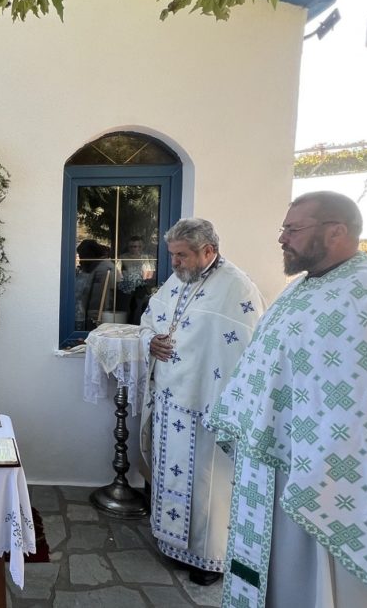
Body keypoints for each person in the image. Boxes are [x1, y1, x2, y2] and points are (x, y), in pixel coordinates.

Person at [209, 191, 367, 608]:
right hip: (270, 458)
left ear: (336, 232)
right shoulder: (301, 288)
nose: (282, 238)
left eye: (293, 229)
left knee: (309, 582)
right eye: (283, 228)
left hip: (324, 474)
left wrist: (319, 465)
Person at [139, 218, 264, 586]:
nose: (175, 263)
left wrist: (226, 404)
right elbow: (149, 319)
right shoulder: (178, 280)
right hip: (170, 400)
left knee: (208, 484)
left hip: (208, 405)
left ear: (208, 250)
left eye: (182, 255)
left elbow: (249, 348)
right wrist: (150, 341)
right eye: (172, 255)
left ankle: (210, 559)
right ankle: (171, 542)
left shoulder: (237, 287)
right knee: (172, 474)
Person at [75, 239, 117, 330]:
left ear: (88, 255)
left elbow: (100, 293)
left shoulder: (103, 268)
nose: (80, 260)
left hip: (96, 314)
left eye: (82, 256)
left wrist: (94, 312)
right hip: (90, 312)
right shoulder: (95, 266)